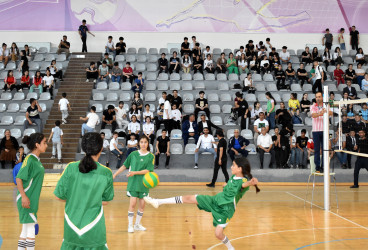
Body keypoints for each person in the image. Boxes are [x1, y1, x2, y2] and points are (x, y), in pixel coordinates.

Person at [144, 158, 259, 250]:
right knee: (189, 198)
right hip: (215, 200)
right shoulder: (233, 177)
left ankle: (230, 247)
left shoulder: (243, 182)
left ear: (240, 168)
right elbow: (231, 185)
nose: (231, 166)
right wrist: (226, 185)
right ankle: (158, 202)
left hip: (225, 210)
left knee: (218, 234)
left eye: (233, 165)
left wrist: (251, 182)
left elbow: (243, 185)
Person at [54, 132, 114, 249]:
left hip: (71, 226)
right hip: (94, 227)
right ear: (101, 148)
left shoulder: (71, 168)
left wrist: (77, 199)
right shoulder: (106, 173)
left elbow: (59, 196)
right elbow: (105, 201)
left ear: (83, 148)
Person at [113, 135, 155, 233]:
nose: (143, 144)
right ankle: (130, 225)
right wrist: (115, 174)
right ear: (138, 144)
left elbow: (148, 170)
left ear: (148, 143)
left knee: (142, 205)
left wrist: (134, 173)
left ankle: (137, 224)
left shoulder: (151, 156)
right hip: (133, 183)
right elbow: (124, 166)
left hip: (144, 184)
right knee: (132, 204)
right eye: (141, 142)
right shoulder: (133, 154)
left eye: (145, 142)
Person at [16, 133, 47, 250]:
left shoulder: (36, 160)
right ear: (37, 145)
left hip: (31, 199)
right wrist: (24, 197)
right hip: (26, 199)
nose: (46, 145)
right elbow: (18, 178)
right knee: (30, 230)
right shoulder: (29, 159)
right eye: (44, 143)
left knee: (25, 229)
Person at [311, 92, 333, 173]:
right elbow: (313, 115)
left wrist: (326, 111)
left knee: (325, 149)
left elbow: (331, 113)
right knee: (316, 149)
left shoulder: (326, 105)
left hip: (324, 130)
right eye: (317, 97)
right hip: (316, 131)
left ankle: (324, 166)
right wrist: (321, 113)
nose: (318, 98)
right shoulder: (313, 106)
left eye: (319, 96)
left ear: (322, 98)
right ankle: (317, 167)